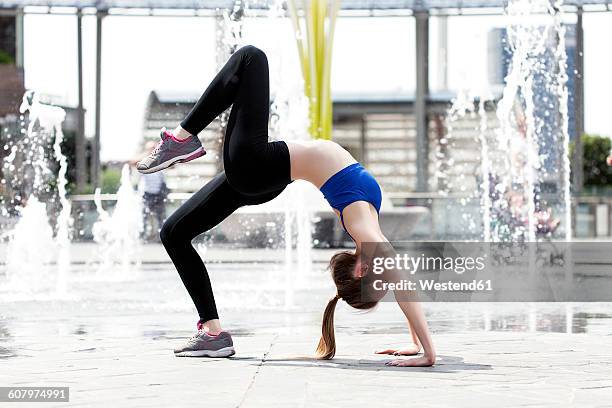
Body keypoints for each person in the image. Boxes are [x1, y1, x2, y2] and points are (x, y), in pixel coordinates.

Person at [137, 45, 436, 367]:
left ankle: (180, 139)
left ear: (363, 270)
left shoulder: (362, 227)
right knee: (173, 233)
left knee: (251, 58)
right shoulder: (366, 229)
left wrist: (428, 355)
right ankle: (213, 334)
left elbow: (402, 281)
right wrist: (415, 343)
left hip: (259, 167)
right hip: (263, 178)